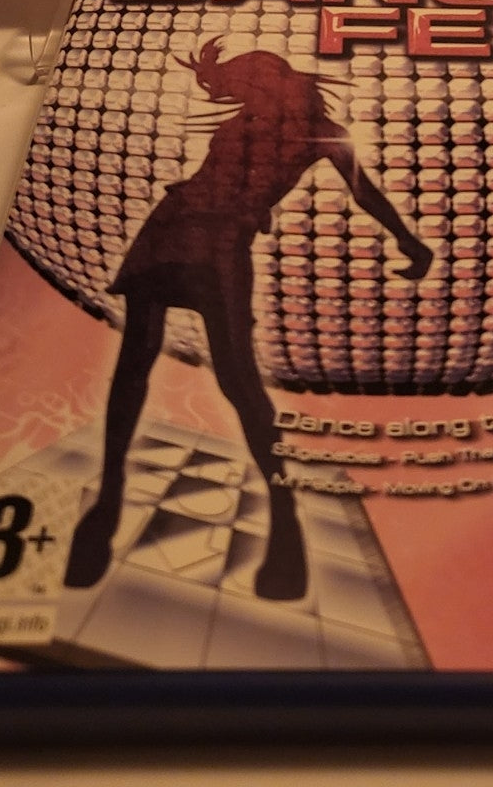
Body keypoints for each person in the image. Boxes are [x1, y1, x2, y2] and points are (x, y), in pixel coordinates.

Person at [64, 40, 434, 601]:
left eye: (242, 88)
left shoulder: (322, 134)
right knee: (137, 357)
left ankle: (284, 519)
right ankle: (109, 498)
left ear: (271, 83)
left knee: (238, 380)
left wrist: (407, 239)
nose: (236, 98)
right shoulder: (252, 122)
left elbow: (364, 192)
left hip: (221, 246)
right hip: (172, 228)